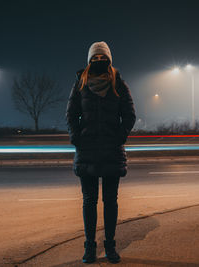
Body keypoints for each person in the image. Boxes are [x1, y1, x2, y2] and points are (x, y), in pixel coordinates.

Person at [66, 41, 136, 264]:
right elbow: (70, 114)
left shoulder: (118, 83)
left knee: (110, 201)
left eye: (102, 58)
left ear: (109, 59)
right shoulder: (81, 82)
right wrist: (76, 137)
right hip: (87, 150)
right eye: (94, 58)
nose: (98, 61)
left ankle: (110, 246)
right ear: (89, 61)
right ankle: (89, 247)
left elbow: (130, 115)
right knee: (89, 201)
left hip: (111, 151)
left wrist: (120, 136)